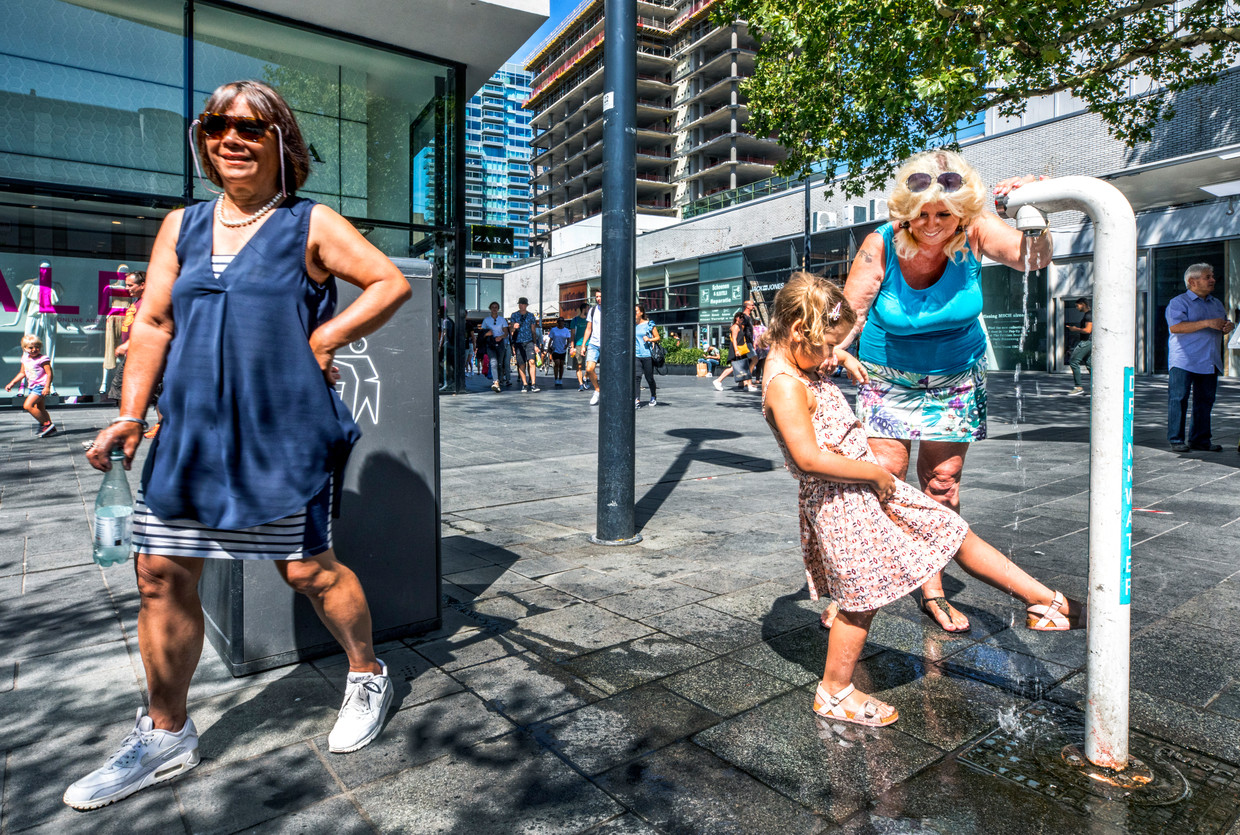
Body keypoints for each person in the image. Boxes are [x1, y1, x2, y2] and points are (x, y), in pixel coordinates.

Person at [67, 80, 412, 812]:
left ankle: (366, 671)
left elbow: (387, 283)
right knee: (160, 571)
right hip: (189, 435)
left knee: (306, 570)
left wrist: (326, 335)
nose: (232, 137)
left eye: (252, 127)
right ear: (205, 139)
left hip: (281, 432)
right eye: (219, 124)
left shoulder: (308, 222)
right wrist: (131, 413)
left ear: (280, 140)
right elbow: (154, 323)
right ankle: (165, 732)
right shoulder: (181, 227)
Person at [761, 272, 1083, 727]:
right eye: (824, 345)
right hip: (843, 498)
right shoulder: (785, 385)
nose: (827, 357)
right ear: (799, 332)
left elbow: (816, 355)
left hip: (862, 486)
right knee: (860, 598)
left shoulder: (799, 361)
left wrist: (839, 353)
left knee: (949, 529)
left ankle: (1046, 603)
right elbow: (809, 458)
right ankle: (834, 692)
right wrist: (875, 472)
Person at [835, 150, 1052, 633]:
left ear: (963, 210)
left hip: (955, 377)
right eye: (922, 213)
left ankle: (931, 588)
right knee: (881, 479)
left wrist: (1031, 214)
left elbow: (1031, 258)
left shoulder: (975, 231)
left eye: (943, 213)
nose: (932, 224)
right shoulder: (882, 243)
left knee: (942, 485)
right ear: (905, 211)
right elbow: (849, 312)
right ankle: (852, 589)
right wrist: (815, 356)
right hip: (887, 373)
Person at [1166, 263, 1233, 452]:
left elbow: (1221, 324)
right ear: (1192, 281)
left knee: (1205, 401)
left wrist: (1228, 326)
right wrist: (1207, 322)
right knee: (1178, 399)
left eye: (1212, 276)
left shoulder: (1216, 303)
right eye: (1207, 277)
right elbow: (1176, 327)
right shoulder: (1178, 303)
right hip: (1184, 360)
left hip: (1210, 359)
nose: (1213, 280)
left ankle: (1200, 440)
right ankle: (1176, 439)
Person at [5, 335, 56, 437]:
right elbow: (22, 373)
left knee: (28, 406)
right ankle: (49, 428)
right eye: (30, 347)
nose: (34, 349)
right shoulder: (25, 359)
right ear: (24, 348)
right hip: (32, 387)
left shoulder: (43, 359)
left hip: (40, 386)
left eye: (37, 347)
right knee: (40, 409)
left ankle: (46, 424)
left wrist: (47, 387)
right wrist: (12, 383)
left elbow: (49, 373)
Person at [713, 310, 755, 392]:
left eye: (743, 318)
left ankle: (747, 385)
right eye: (740, 318)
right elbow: (734, 340)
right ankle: (718, 380)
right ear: (736, 318)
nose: (742, 319)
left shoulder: (739, 326)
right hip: (737, 349)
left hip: (740, 349)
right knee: (734, 367)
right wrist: (736, 350)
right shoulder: (735, 327)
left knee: (743, 367)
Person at [509, 296, 541, 392]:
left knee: (531, 361)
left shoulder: (531, 316)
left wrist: (535, 344)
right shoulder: (514, 315)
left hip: (529, 341)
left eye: (523, 304)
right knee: (521, 364)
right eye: (520, 304)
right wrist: (513, 327)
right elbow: (510, 330)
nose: (521, 305)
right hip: (518, 342)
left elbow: (533, 331)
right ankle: (525, 384)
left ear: (526, 305)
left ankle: (534, 384)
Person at [634, 303, 661, 407]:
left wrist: (649, 339)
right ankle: (637, 399)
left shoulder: (649, 324)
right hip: (636, 355)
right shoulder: (632, 325)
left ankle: (653, 395)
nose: (634, 314)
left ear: (641, 313)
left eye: (636, 311)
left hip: (647, 355)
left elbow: (657, 337)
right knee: (636, 377)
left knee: (649, 378)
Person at [580, 288, 603, 405]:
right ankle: (597, 390)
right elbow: (588, 328)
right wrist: (584, 345)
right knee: (589, 369)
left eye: (600, 296)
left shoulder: (611, 309)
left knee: (608, 371)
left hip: (607, 345)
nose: (598, 299)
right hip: (594, 343)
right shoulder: (593, 310)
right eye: (597, 297)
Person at [1066, 297, 1093, 395]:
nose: (1077, 308)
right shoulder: (1089, 315)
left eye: (1077, 306)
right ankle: (1097, 388)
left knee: (1073, 361)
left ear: (1083, 304)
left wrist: (1075, 329)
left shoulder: (1088, 315)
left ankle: (1078, 387)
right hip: (1090, 342)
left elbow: (1088, 330)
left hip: (1086, 342)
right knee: (1090, 365)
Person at [482, 301, 509, 392]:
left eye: (496, 307)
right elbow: (482, 333)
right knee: (493, 362)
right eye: (492, 307)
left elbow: (506, 332)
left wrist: (501, 337)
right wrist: (487, 334)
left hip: (500, 342)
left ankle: (500, 379)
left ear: (498, 309)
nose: (494, 309)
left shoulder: (502, 320)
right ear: (490, 308)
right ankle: (496, 381)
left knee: (500, 364)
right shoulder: (486, 320)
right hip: (490, 343)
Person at [548, 317, 573, 387]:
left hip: (562, 349)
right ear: (557, 322)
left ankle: (560, 378)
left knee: (561, 364)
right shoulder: (554, 330)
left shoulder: (566, 330)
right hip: (555, 348)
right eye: (560, 321)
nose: (561, 323)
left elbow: (568, 339)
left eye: (562, 321)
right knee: (557, 362)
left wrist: (567, 345)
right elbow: (550, 339)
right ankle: (556, 378)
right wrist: (548, 347)